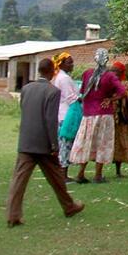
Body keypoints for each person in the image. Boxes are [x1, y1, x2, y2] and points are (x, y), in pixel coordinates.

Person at [5, 58, 84, 227]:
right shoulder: (52, 91)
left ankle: (13, 215)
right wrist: (54, 145)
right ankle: (69, 206)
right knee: (56, 177)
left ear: (39, 70)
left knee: (19, 180)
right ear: (52, 71)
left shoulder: (26, 89)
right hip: (44, 144)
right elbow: (50, 120)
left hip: (26, 141)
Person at [69, 48, 127, 184]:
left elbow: (83, 92)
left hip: (88, 115)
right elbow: (123, 92)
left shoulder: (87, 74)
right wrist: (110, 99)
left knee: (86, 143)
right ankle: (98, 175)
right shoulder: (110, 76)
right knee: (102, 144)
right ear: (106, 60)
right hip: (104, 115)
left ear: (95, 59)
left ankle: (81, 173)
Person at [50, 52, 80, 182]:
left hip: (61, 115)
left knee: (63, 144)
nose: (72, 65)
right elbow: (71, 98)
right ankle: (63, 173)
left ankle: (62, 172)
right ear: (61, 64)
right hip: (66, 116)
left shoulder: (60, 77)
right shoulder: (64, 79)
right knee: (65, 145)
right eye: (70, 62)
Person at [112, 61, 128, 178]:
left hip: (122, 120)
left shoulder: (127, 86)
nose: (114, 73)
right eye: (112, 70)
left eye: (116, 71)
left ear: (122, 72)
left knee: (121, 144)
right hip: (110, 119)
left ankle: (118, 170)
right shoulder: (109, 84)